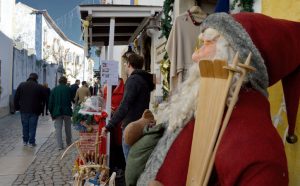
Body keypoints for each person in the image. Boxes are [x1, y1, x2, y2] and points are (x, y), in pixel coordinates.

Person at [136, 12, 300, 186]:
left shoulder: (255, 142)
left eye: (206, 44)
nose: (194, 56)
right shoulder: (208, 106)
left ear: (235, 55)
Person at [102, 52, 155, 161]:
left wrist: (109, 126)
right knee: (137, 163)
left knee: (131, 163)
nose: (125, 66)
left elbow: (125, 106)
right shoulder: (143, 80)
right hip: (141, 124)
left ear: (130, 64)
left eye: (126, 64)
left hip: (132, 128)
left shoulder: (133, 80)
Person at [14, 73, 45, 147]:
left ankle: (25, 141)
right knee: (32, 126)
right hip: (35, 110)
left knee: (25, 126)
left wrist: (17, 107)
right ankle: (31, 142)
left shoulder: (21, 85)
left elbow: (16, 97)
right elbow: (42, 100)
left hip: (24, 109)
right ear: (36, 79)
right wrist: (41, 110)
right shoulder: (39, 86)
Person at [49, 76, 73, 150]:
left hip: (57, 112)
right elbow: (72, 99)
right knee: (68, 128)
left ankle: (60, 145)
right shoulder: (68, 89)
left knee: (58, 129)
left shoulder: (54, 89)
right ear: (66, 82)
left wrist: (51, 113)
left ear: (59, 82)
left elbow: (50, 103)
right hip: (67, 111)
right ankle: (69, 143)